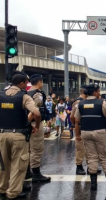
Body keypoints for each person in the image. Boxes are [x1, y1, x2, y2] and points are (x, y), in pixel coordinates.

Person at [0, 71, 41, 199]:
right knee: (18, 165)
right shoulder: (24, 96)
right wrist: (37, 126)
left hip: (1, 134)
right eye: (25, 83)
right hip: (18, 135)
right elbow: (36, 113)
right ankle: (12, 193)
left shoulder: (0, 95)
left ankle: (2, 189)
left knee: (3, 164)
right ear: (22, 83)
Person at [75, 84, 106, 191]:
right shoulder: (102, 103)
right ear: (94, 92)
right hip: (99, 132)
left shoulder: (81, 104)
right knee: (104, 156)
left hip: (85, 132)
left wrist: (78, 134)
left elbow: (77, 120)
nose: (99, 93)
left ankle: (93, 184)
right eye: (98, 91)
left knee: (91, 157)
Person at [27, 74, 51, 183]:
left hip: (26, 125)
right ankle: (36, 174)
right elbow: (35, 111)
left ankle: (27, 172)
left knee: (27, 149)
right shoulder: (38, 94)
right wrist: (35, 125)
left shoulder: (26, 93)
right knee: (36, 148)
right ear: (39, 82)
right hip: (34, 123)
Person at [70, 85, 89, 175]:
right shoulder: (78, 102)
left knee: (89, 148)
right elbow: (72, 116)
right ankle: (79, 167)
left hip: (86, 128)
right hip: (80, 128)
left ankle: (91, 167)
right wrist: (76, 126)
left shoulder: (85, 101)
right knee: (80, 148)